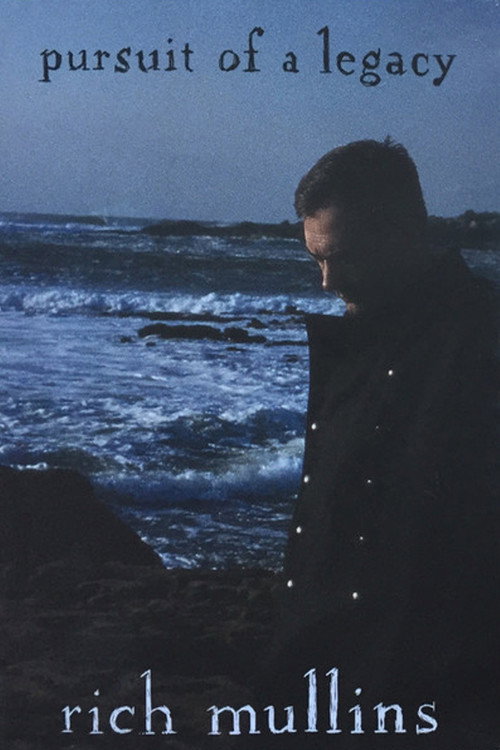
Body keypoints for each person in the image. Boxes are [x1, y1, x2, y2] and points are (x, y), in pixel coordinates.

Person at [258, 138, 498, 748]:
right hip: (324, 675)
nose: (326, 282)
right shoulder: (358, 340)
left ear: (405, 233)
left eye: (342, 258)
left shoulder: (482, 341)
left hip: (430, 696)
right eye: (315, 260)